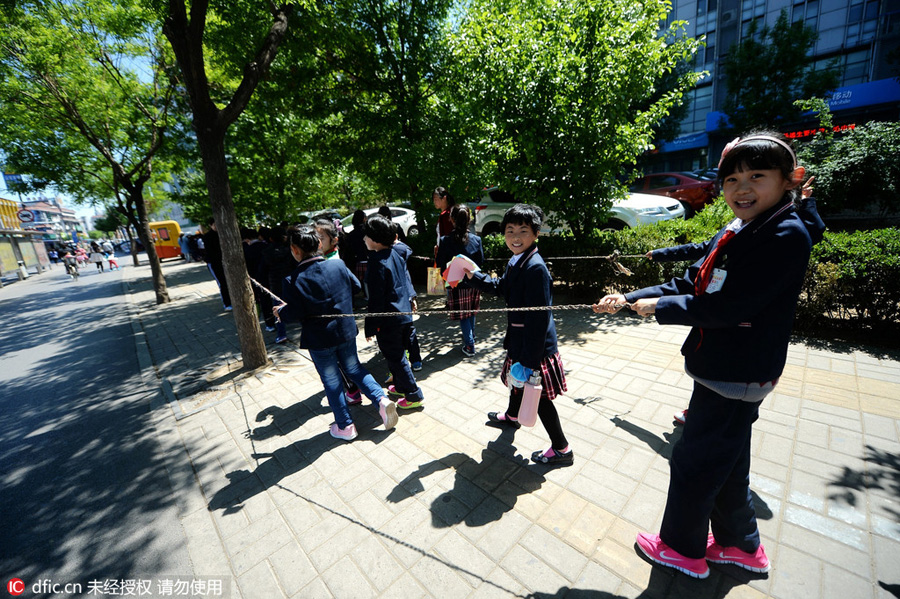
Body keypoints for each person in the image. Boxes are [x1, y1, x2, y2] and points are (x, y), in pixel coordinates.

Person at [593, 131, 825, 579]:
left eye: (756, 176)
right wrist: (630, 297)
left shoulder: (784, 234)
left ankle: (681, 549)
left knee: (696, 464)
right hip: (726, 368)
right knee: (728, 465)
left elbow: (730, 306)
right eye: (731, 179)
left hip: (738, 370)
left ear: (790, 180)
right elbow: (692, 281)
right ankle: (741, 546)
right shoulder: (743, 227)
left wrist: (660, 308)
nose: (741, 188)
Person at [461, 204, 572, 466]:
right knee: (515, 381)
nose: (515, 237)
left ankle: (562, 448)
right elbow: (502, 287)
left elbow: (539, 319)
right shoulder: (517, 260)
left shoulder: (535, 268)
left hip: (534, 348)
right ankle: (512, 416)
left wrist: (530, 362)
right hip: (520, 341)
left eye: (523, 230)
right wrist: (474, 277)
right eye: (510, 231)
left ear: (536, 233)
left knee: (538, 397)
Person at [275, 226, 398, 441]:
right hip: (345, 331)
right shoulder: (338, 265)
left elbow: (294, 313)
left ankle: (346, 425)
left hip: (320, 340)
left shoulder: (292, 279)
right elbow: (356, 286)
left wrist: (281, 312)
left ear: (295, 250)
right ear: (318, 244)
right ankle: (381, 399)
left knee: (332, 382)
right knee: (355, 368)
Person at [363, 215, 425, 409]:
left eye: (366, 235)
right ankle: (399, 386)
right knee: (396, 355)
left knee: (396, 357)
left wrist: (370, 326)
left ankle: (413, 395)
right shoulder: (395, 254)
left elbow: (376, 298)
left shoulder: (377, 262)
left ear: (376, 239)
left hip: (389, 319)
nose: (364, 239)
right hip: (403, 314)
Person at [316, 218, 363, 404]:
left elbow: (355, 286)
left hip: (336, 322)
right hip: (344, 320)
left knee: (346, 364)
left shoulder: (331, 262)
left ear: (334, 240)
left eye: (321, 238)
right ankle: (369, 393)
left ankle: (354, 391)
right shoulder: (331, 259)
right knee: (350, 363)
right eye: (315, 237)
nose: (317, 242)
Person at [436, 205, 484, 357]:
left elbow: (441, 263)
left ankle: (469, 345)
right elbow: (480, 262)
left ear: (451, 219)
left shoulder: (445, 240)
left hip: (455, 282)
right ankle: (471, 337)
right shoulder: (476, 240)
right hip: (473, 281)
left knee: (464, 315)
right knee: (471, 311)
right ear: (469, 219)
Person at [260, 226, 296, 343]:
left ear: (271, 238)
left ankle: (281, 334)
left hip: (275, 284)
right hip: (290, 281)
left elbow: (262, 271)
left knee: (277, 309)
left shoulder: (266, 252)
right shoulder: (290, 250)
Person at [203, 219, 231, 311]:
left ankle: (230, 301)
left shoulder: (224, 234)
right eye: (215, 225)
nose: (217, 226)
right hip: (214, 263)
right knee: (222, 282)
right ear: (211, 225)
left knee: (228, 282)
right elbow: (209, 251)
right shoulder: (207, 237)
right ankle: (227, 303)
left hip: (224, 262)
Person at [343, 209, 369, 298]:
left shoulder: (351, 235)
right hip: (369, 261)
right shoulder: (368, 232)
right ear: (364, 219)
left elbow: (348, 252)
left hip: (357, 263)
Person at [432, 186, 456, 255]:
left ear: (444, 198)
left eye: (436, 199)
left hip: (446, 252)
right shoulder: (450, 212)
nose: (434, 202)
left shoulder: (446, 215)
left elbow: (446, 237)